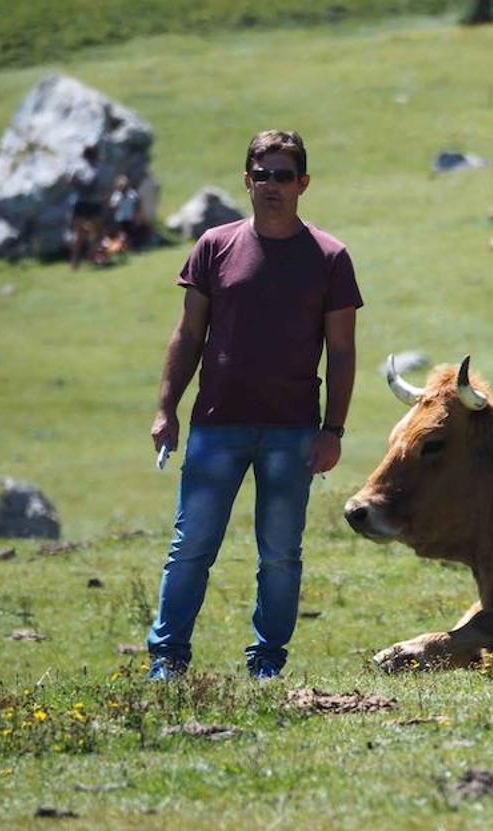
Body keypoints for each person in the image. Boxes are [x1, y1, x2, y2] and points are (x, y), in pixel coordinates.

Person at [146, 130, 362, 680]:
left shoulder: (330, 258)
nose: (272, 185)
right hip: (217, 425)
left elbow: (341, 350)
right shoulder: (214, 246)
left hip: (293, 432)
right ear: (247, 181)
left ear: (303, 184)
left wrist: (333, 429)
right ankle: (167, 660)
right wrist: (165, 408)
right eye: (262, 174)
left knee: (281, 555)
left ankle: (267, 662)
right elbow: (188, 335)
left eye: (283, 175)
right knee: (190, 545)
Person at [107, 175, 140, 252]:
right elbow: (112, 206)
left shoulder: (132, 194)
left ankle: (126, 247)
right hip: (120, 218)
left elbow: (137, 204)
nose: (124, 188)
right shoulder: (116, 195)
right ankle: (120, 248)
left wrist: (137, 215)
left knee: (129, 234)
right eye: (122, 186)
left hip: (130, 217)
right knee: (122, 234)